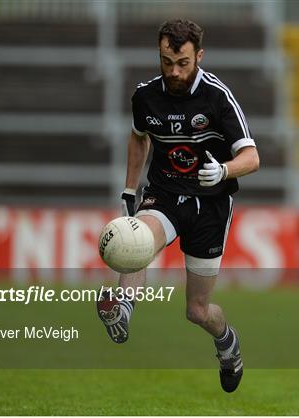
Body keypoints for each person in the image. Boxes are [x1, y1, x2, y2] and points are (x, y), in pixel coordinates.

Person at [96, 19, 259, 393]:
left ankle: (227, 343)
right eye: (166, 61)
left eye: (182, 63)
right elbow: (139, 138)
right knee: (138, 241)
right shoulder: (146, 96)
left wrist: (223, 171)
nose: (174, 71)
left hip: (211, 205)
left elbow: (251, 158)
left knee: (197, 312)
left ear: (198, 56)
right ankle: (121, 309)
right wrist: (128, 188)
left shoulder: (218, 97)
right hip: (165, 193)